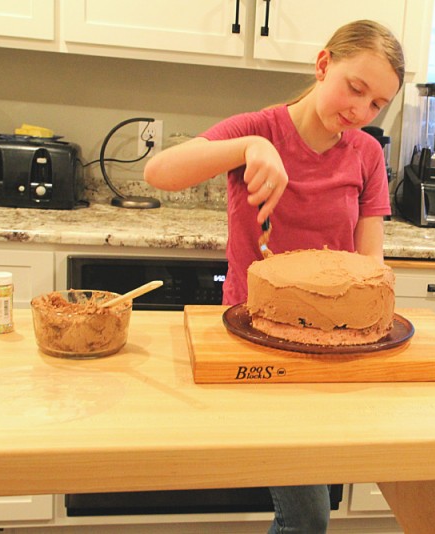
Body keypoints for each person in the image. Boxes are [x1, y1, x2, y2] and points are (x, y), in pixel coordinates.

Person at [144, 19, 405, 534]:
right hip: (259, 338)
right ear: (324, 64)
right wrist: (247, 149)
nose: (360, 111)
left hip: (335, 344)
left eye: (376, 104)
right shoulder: (258, 129)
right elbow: (160, 172)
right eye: (355, 88)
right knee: (308, 514)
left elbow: (368, 263)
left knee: (310, 511)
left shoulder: (367, 154)